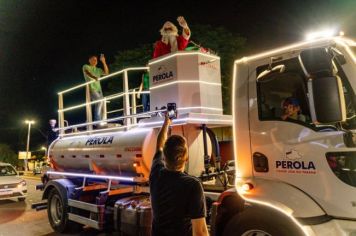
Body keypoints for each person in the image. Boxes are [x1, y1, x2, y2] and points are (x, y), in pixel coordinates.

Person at [149, 115, 208, 236]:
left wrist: (166, 124)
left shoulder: (156, 173)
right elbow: (200, 232)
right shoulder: (192, 185)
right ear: (186, 158)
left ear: (164, 157)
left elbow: (159, 146)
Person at [82, 54, 109, 122]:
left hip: (99, 89)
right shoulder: (86, 66)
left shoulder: (98, 69)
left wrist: (103, 62)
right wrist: (94, 78)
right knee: (99, 101)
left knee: (102, 103)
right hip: (91, 88)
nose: (95, 61)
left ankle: (103, 121)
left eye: (96, 60)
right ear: (89, 60)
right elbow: (87, 73)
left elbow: (106, 73)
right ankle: (97, 121)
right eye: (93, 59)